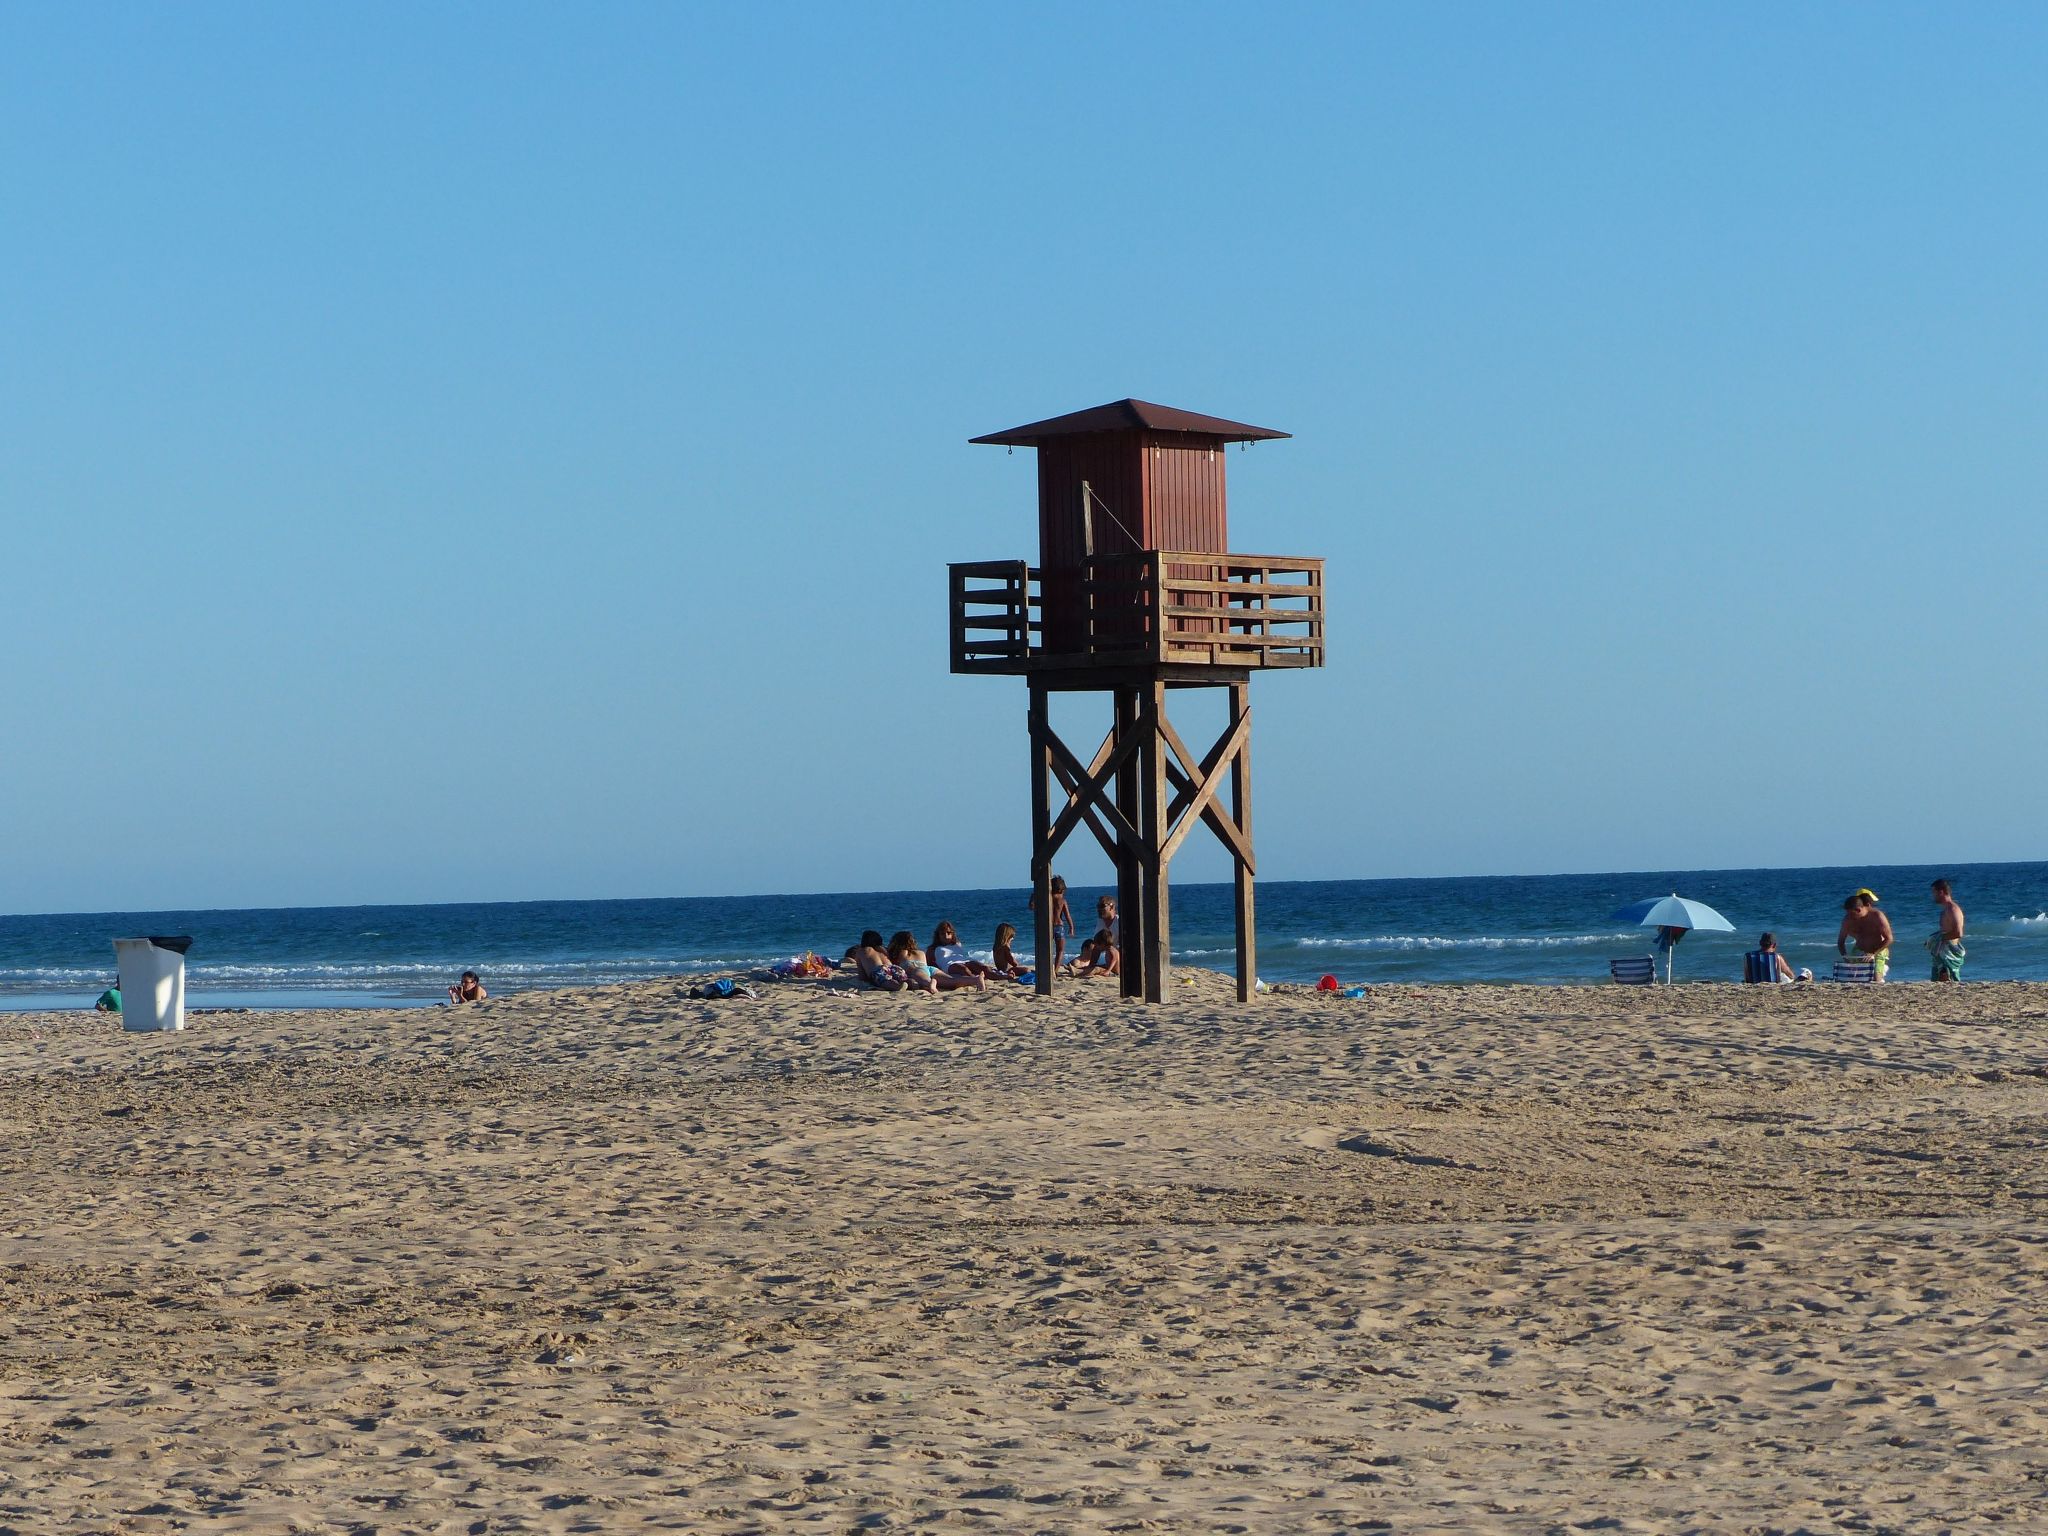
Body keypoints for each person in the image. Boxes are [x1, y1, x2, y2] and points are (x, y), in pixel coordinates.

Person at [890, 931, 983, 993]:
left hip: (916, 969)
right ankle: (975, 980)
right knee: (951, 980)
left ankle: (931, 983)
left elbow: (897, 963)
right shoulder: (920, 952)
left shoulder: (902, 952)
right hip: (930, 969)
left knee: (925, 981)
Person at [1837, 889, 1893, 982]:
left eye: (1851, 913)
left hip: (1878, 950)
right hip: (1859, 949)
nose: (1849, 916)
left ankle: (1881, 970)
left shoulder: (1877, 916)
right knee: (1853, 978)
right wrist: (1845, 957)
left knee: (1876, 980)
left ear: (1858, 910)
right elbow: (1840, 942)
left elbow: (1889, 938)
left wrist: (1873, 953)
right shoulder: (1848, 920)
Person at [928, 921, 1000, 981]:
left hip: (965, 960)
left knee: (984, 968)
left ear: (952, 934)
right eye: (943, 934)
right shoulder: (933, 948)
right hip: (949, 965)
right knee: (963, 969)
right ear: (938, 935)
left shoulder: (957, 944)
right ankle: (977, 979)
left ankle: (1003, 977)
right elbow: (930, 966)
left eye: (949, 933)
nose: (946, 936)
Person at [1928, 878, 1967, 982]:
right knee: (1937, 980)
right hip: (1942, 952)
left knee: (1947, 979)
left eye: (1934, 892)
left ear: (1941, 892)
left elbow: (1958, 933)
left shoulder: (1953, 909)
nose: (1933, 896)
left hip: (1948, 953)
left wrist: (1939, 938)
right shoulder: (1946, 909)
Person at [1078, 895, 1121, 976]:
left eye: (1102, 906)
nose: (1099, 909)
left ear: (1111, 907)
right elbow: (1097, 945)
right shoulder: (1101, 922)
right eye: (1098, 906)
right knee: (1095, 965)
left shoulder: (1118, 922)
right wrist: (1092, 963)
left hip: (1118, 960)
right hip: (1109, 957)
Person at [1049, 876, 1074, 974]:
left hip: (1048, 926)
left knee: (1047, 948)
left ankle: (1048, 968)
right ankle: (1055, 971)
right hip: (1059, 926)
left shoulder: (1048, 899)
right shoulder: (1062, 900)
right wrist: (1071, 927)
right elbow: (1067, 915)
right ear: (1061, 889)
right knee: (1060, 950)